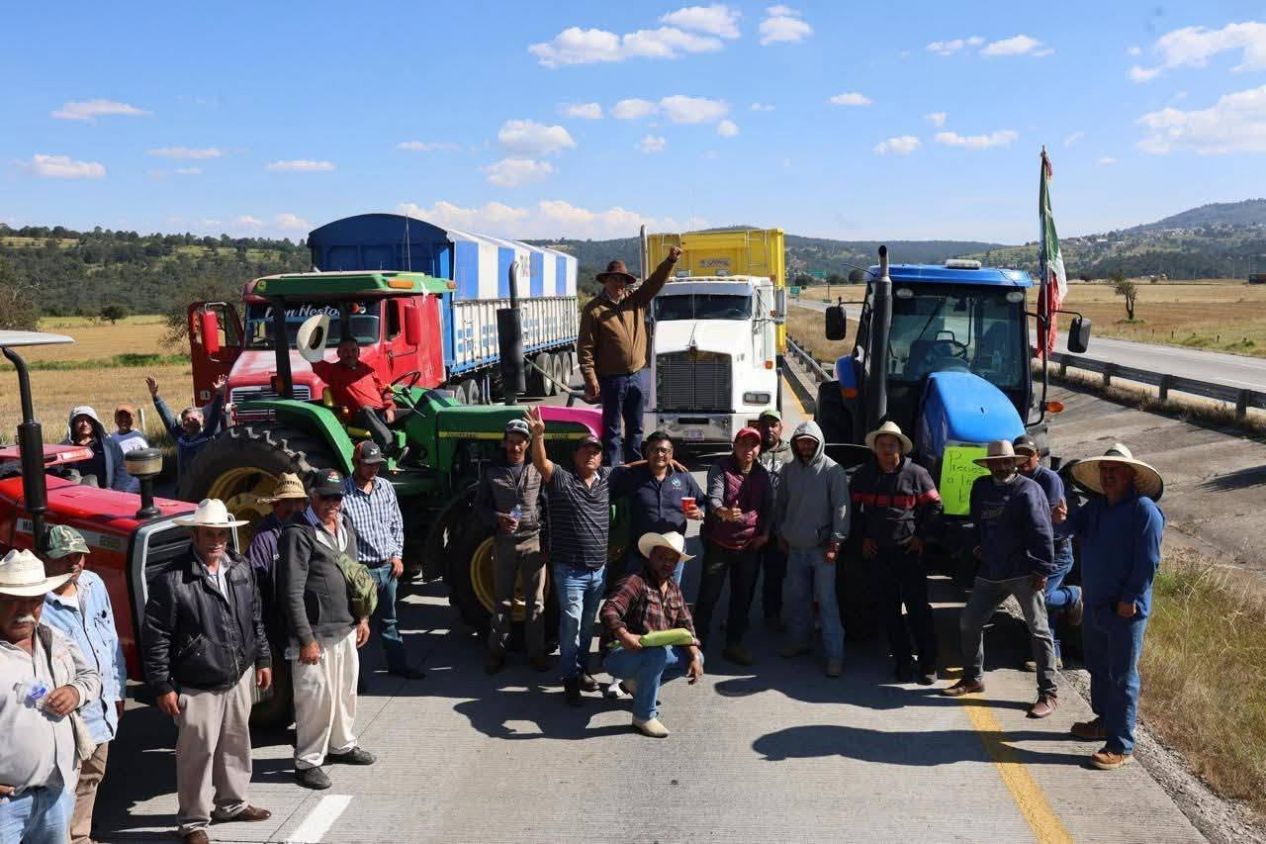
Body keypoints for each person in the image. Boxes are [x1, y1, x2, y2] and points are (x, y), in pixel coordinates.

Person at [141, 499, 272, 843]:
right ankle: (193, 822)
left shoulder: (241, 569)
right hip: (196, 684)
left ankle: (232, 803)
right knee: (196, 755)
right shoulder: (172, 579)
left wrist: (263, 659)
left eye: (222, 535)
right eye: (210, 534)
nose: (217, 541)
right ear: (196, 535)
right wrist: (162, 685)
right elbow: (156, 636)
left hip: (237, 675)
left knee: (236, 743)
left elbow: (255, 619)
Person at [943, 440, 1059, 719]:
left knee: (1039, 630)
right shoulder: (981, 487)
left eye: (1006, 461)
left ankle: (1049, 693)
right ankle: (973, 677)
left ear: (1015, 462)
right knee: (969, 621)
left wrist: (1043, 569)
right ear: (989, 464)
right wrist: (976, 546)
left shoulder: (1029, 490)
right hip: (991, 570)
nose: (1001, 466)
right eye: (995, 462)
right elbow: (976, 522)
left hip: (1023, 572)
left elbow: (1043, 531)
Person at [1067, 444, 1165, 771]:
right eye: (1105, 471)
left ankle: (1121, 744)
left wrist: (1130, 597)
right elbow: (1067, 528)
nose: (1108, 476)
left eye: (1116, 471)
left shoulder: (1144, 511)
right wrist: (1056, 517)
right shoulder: (1095, 508)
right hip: (1095, 602)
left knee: (1122, 675)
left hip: (1125, 609)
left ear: (1131, 475)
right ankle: (1104, 721)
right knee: (1097, 666)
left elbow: (1148, 562)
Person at [279, 470, 374, 790]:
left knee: (346, 692)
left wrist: (361, 618)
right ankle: (308, 761)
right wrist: (305, 638)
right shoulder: (298, 533)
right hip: (316, 635)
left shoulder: (344, 525)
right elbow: (291, 591)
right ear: (312, 497)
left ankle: (342, 745)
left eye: (337, 496)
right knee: (315, 700)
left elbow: (355, 575)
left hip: (345, 627)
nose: (333, 503)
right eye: (326, 497)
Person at [0, 548, 101, 844]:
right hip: (6, 807)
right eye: (12, 601)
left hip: (57, 796)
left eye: (34, 600)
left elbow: (91, 677)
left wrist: (75, 692)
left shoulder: (53, 638)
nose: (25, 610)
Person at [38, 526, 127, 844]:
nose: (75, 563)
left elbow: (111, 639)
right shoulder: (38, 603)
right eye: (65, 557)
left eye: (79, 555)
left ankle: (80, 836)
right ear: (45, 559)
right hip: (64, 714)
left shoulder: (94, 584)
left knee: (92, 777)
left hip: (100, 708)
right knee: (61, 786)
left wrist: (117, 689)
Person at [524, 405, 610, 706]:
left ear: (601, 457)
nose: (591, 455)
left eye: (596, 451)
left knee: (587, 624)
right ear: (575, 456)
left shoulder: (607, 480)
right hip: (570, 570)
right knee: (571, 623)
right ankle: (570, 678)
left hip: (598, 570)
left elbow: (636, 468)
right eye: (585, 451)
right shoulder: (562, 479)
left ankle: (583, 668)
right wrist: (538, 437)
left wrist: (668, 462)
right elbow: (540, 462)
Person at [850, 421, 943, 685]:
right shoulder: (863, 475)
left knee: (918, 610)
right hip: (879, 554)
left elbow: (935, 507)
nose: (887, 449)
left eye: (892, 445)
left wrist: (921, 537)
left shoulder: (918, 474)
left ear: (900, 447)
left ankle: (928, 663)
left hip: (909, 554)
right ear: (875, 448)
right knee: (889, 611)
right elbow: (853, 513)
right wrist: (863, 539)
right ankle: (902, 662)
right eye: (882, 445)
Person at [577, 247, 682, 466]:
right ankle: (614, 471)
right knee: (613, 428)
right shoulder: (594, 310)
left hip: (635, 375)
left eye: (622, 280)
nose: (619, 284)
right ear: (605, 281)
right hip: (611, 378)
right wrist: (590, 377)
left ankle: (635, 467)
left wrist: (669, 261)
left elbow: (654, 282)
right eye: (615, 279)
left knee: (636, 427)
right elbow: (585, 347)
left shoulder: (636, 301)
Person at [600, 532, 705, 738]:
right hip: (619, 654)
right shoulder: (635, 581)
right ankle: (643, 716)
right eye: (661, 557)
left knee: (698, 657)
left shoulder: (674, 588)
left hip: (649, 652)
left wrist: (693, 656)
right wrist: (624, 635)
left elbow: (686, 626)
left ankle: (637, 685)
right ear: (650, 557)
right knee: (655, 655)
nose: (667, 563)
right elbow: (609, 610)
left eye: (672, 560)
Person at [341, 441, 425, 681]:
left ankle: (398, 665)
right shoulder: (343, 494)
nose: (373, 469)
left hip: (387, 568)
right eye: (368, 465)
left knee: (390, 621)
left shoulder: (386, 487)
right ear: (355, 463)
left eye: (377, 464)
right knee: (358, 625)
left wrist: (397, 555)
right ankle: (356, 679)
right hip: (362, 571)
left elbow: (396, 524)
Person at [777, 420, 850, 677]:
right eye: (801, 442)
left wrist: (836, 542)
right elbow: (781, 504)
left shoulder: (833, 470)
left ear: (819, 443)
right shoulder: (788, 470)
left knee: (827, 603)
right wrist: (781, 533)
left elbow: (841, 508)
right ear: (795, 444)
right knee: (798, 600)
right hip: (795, 548)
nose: (806, 446)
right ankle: (800, 642)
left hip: (823, 551)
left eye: (810, 442)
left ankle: (835, 656)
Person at [475, 419, 549, 674]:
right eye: (512, 442)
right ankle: (496, 653)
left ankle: (536, 654)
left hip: (533, 541)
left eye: (521, 442)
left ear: (527, 444)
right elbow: (480, 506)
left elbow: (547, 505)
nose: (515, 447)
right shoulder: (492, 471)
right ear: (504, 442)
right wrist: (497, 518)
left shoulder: (537, 468)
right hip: (504, 543)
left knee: (536, 602)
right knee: (502, 600)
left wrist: (547, 543)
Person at [695, 427, 772, 666]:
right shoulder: (720, 468)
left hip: (749, 545)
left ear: (759, 449)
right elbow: (714, 497)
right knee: (708, 597)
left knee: (742, 597)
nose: (748, 450)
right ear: (734, 445)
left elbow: (768, 507)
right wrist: (722, 512)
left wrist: (766, 534)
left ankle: (734, 644)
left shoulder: (761, 474)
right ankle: (696, 647)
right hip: (719, 543)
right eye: (744, 444)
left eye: (753, 445)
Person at [1013, 434, 1083, 670]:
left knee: (1040, 598)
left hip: (1057, 552)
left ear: (1038, 456)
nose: (1023, 460)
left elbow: (1046, 520)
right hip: (1034, 552)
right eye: (1018, 455)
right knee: (1041, 601)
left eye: (1028, 455)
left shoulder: (1049, 479)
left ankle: (1073, 595)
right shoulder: (1016, 479)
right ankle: (1053, 654)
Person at [611, 431, 705, 581]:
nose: (660, 454)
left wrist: (700, 513)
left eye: (665, 451)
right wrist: (643, 463)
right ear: (647, 452)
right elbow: (614, 473)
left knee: (668, 599)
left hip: (673, 552)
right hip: (641, 553)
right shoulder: (632, 476)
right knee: (636, 599)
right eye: (655, 450)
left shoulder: (684, 477)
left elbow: (702, 501)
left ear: (672, 453)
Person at [246, 473, 308, 657]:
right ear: (275, 505)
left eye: (298, 502)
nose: (294, 507)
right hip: (279, 632)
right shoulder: (264, 539)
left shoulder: (309, 532)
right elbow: (256, 589)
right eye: (287, 502)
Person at [311, 338, 397, 454]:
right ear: (338, 353)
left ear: (358, 352)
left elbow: (384, 390)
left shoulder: (368, 370)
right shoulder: (332, 371)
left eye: (353, 350)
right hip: (358, 417)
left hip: (380, 412)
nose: (350, 354)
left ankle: (416, 452)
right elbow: (313, 359)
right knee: (366, 410)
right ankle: (390, 447)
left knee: (416, 412)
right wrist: (312, 340)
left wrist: (390, 408)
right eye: (345, 351)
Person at [146, 374, 228, 483]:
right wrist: (155, 395)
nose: (189, 421)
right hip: (184, 488)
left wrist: (220, 394)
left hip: (204, 485)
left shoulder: (207, 436)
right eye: (186, 419)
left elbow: (215, 416)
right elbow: (167, 418)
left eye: (193, 419)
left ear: (203, 421)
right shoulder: (181, 438)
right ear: (182, 424)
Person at [755, 408, 793, 630]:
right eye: (765, 424)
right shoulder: (751, 448)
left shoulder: (791, 453)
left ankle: (772, 615)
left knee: (775, 574)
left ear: (781, 427)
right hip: (753, 527)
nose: (769, 429)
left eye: (774, 424)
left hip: (779, 528)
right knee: (744, 576)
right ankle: (736, 616)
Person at [61, 406, 127, 490]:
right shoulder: (63, 448)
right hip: (75, 497)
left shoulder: (109, 445)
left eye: (88, 420)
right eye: (80, 420)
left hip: (106, 495)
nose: (85, 424)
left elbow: (121, 468)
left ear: (94, 422)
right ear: (73, 424)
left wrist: (116, 491)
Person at [108, 404, 148, 494]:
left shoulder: (138, 438)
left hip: (131, 492)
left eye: (127, 416)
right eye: (120, 416)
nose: (124, 419)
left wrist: (130, 491)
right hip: (115, 491)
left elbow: (143, 468)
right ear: (115, 419)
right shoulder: (111, 438)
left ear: (132, 419)